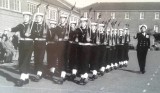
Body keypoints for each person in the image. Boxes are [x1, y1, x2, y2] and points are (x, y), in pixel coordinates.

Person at [9, 12, 34, 87]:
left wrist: (30, 35)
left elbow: (37, 34)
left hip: (29, 44)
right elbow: (15, 28)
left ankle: (22, 78)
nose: (25, 18)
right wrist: (9, 29)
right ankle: (26, 78)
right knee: (22, 60)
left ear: (30, 17)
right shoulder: (21, 25)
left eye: (27, 16)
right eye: (24, 16)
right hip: (22, 44)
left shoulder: (33, 25)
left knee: (25, 60)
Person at [31, 13, 47, 82]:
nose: (38, 18)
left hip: (42, 43)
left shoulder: (45, 25)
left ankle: (39, 74)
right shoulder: (34, 25)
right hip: (36, 43)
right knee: (36, 58)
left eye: (39, 17)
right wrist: (34, 16)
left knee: (40, 58)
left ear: (42, 18)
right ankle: (37, 70)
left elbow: (48, 34)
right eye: (37, 17)